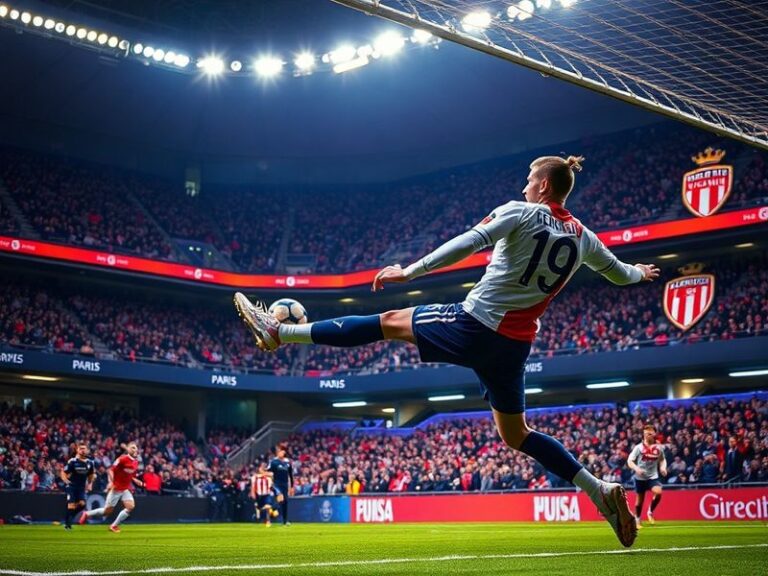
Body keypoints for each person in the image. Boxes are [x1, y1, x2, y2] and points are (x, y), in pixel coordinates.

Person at [234, 154, 660, 547]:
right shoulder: (584, 238)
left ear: (545, 184)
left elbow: (467, 242)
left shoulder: (520, 211)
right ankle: (599, 490)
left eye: (531, 179)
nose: (526, 185)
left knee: (388, 322)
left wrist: (411, 270)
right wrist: (640, 272)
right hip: (514, 347)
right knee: (516, 434)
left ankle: (280, 333)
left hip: (474, 324)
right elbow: (620, 274)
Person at [80, 441, 145, 533]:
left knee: (130, 507)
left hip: (125, 489)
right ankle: (86, 514)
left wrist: (135, 480)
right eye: (132, 447)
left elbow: (129, 475)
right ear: (128, 449)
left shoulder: (135, 462)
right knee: (107, 511)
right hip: (117, 488)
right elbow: (110, 470)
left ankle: (113, 526)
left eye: (136, 448)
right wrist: (111, 482)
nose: (135, 449)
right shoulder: (122, 459)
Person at [627, 424, 667, 528]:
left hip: (653, 476)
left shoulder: (658, 448)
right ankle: (638, 519)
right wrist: (637, 469)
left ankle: (650, 511)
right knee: (640, 500)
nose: (647, 435)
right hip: (640, 477)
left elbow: (662, 459)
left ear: (654, 434)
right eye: (645, 433)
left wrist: (663, 467)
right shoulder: (638, 448)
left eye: (650, 433)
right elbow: (630, 461)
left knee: (658, 492)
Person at [60, 442, 95, 530]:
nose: (83, 450)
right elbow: (64, 472)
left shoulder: (90, 463)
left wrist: (90, 484)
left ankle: (69, 517)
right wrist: (66, 481)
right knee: (71, 505)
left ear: (87, 450)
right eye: (81, 448)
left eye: (84, 449)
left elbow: (91, 475)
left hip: (81, 488)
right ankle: (68, 525)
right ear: (77, 450)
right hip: (72, 486)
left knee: (82, 505)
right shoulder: (73, 461)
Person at [268, 448, 294, 525]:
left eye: (282, 451)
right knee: (281, 498)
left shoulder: (288, 463)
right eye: (279, 452)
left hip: (285, 484)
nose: (280, 453)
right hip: (276, 484)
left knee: (285, 501)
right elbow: (269, 472)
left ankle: (285, 521)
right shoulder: (274, 462)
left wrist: (292, 486)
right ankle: (272, 509)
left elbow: (290, 475)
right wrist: (270, 482)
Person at [250, 462, 276, 527]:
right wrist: (252, 493)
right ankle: (265, 517)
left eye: (264, 467)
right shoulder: (254, 477)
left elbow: (272, 475)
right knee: (260, 508)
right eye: (261, 467)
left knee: (267, 506)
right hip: (258, 494)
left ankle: (268, 521)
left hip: (267, 494)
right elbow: (253, 486)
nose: (263, 468)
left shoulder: (269, 476)